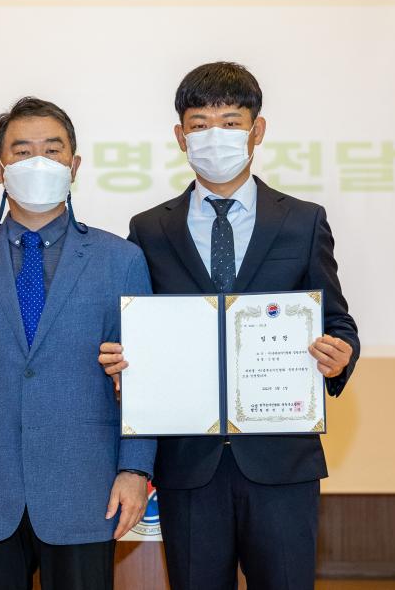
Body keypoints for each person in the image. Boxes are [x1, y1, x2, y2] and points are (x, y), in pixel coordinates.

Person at [99, 62, 360, 590]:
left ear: (257, 130)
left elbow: (336, 319)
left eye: (231, 122)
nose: (214, 136)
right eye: (200, 125)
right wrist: (121, 358)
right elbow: (139, 327)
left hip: (281, 460)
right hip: (188, 465)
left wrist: (341, 354)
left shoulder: (303, 220)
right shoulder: (149, 229)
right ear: (180, 137)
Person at [0, 97, 156, 590]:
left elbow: (144, 376)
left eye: (52, 150)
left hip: (85, 482)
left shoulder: (121, 260)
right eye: (22, 152)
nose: (38, 162)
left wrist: (135, 468)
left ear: (74, 165)